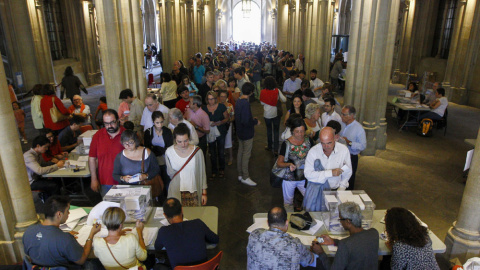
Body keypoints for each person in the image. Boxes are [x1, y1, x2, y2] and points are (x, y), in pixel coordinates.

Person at [23, 196, 101, 268]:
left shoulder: (29, 231)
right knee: (94, 263)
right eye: (67, 210)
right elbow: (81, 260)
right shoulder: (65, 239)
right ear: (59, 214)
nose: (69, 213)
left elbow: (43, 241)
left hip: (39, 268)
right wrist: (91, 234)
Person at [312, 202, 379, 270]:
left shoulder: (345, 245)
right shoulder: (374, 233)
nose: (340, 222)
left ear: (348, 222)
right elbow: (357, 244)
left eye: (340, 219)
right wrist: (334, 241)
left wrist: (321, 253)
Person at [154, 198, 219, 268]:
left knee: (157, 266)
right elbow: (215, 239)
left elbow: (157, 247)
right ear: (182, 209)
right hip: (203, 268)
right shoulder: (198, 224)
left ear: (165, 215)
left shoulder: (163, 232)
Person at [247, 206, 315, 269]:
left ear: (267, 223)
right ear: (287, 223)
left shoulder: (254, 234)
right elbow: (310, 260)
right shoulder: (295, 244)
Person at [304, 127, 352, 211]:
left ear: (335, 138)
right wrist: (330, 173)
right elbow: (308, 174)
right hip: (317, 192)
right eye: (323, 143)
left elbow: (347, 171)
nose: (326, 147)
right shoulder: (313, 151)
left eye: (329, 143)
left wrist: (341, 189)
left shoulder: (343, 150)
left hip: (336, 190)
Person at [165, 124, 207, 206]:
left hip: (194, 191)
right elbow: (170, 173)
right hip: (176, 191)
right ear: (175, 140)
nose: (183, 144)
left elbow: (202, 173)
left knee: (194, 216)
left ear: (189, 138)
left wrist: (204, 193)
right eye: (179, 141)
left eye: (186, 141)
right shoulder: (169, 152)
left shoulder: (197, 152)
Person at [277, 117, 314, 212]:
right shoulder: (286, 144)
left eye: (302, 131)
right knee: (288, 203)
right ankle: (289, 219)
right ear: (292, 131)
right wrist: (289, 164)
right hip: (289, 178)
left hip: (305, 177)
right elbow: (279, 163)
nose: (300, 134)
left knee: (311, 199)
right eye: (297, 131)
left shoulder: (309, 141)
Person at [89, 109, 125, 196]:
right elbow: (92, 158)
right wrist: (94, 179)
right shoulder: (97, 136)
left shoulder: (126, 134)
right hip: (105, 181)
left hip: (124, 181)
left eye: (112, 122)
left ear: (118, 120)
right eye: (106, 124)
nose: (110, 126)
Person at [235, 82, 260, 186]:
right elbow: (246, 121)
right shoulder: (245, 103)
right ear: (251, 92)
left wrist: (251, 118)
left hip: (239, 131)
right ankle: (245, 176)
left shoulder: (239, 101)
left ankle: (240, 174)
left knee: (240, 152)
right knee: (246, 154)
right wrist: (255, 122)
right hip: (246, 132)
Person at [144, 111, 173, 194]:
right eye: (157, 123)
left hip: (165, 162)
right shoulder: (148, 132)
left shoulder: (167, 131)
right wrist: (161, 149)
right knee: (156, 183)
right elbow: (147, 149)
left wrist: (156, 149)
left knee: (167, 182)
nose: (160, 125)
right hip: (153, 162)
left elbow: (169, 147)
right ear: (153, 122)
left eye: (161, 122)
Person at [203, 91, 229, 179]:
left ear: (215, 99)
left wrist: (220, 122)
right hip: (211, 133)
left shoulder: (221, 107)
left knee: (221, 151)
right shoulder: (204, 108)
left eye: (212, 99)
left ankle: (222, 169)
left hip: (221, 131)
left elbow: (227, 118)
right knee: (212, 152)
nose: (211, 101)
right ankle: (214, 170)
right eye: (209, 99)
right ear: (207, 100)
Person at [340, 105, 366, 190]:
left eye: (344, 114)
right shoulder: (342, 124)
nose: (342, 116)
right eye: (341, 114)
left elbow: (362, 146)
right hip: (340, 155)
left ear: (351, 116)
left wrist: (349, 142)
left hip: (351, 157)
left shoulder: (358, 128)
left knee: (348, 180)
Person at [260, 76, 286, 155]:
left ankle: (269, 146)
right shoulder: (277, 91)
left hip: (267, 114)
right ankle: (276, 149)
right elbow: (285, 99)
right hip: (276, 114)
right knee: (276, 131)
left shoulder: (263, 92)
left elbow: (262, 103)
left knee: (269, 130)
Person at [219, 90, 234, 166]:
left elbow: (232, 117)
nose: (222, 98)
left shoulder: (230, 106)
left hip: (227, 125)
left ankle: (230, 157)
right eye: (221, 96)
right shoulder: (217, 105)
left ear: (227, 97)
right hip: (219, 125)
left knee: (228, 141)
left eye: (224, 96)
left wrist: (228, 120)